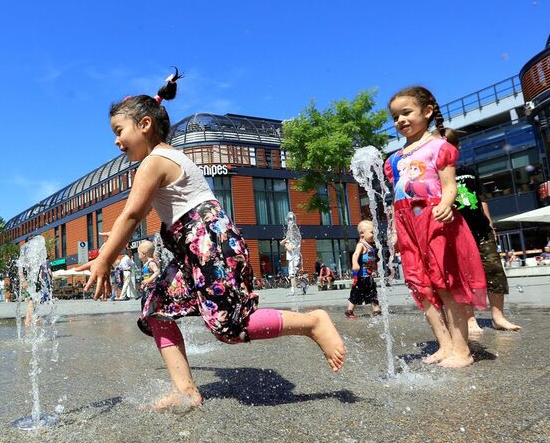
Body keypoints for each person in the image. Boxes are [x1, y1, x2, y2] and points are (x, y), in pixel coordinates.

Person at [77, 70, 344, 410]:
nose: (116, 140)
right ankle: (186, 390)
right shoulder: (161, 158)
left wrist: (104, 259)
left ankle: (312, 322)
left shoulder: (155, 161)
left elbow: (131, 215)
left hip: (209, 246)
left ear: (144, 124)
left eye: (119, 131)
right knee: (155, 308)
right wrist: (107, 251)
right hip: (193, 250)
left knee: (229, 327)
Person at [384, 86, 487, 368]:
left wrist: (446, 203)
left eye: (406, 113)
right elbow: (395, 197)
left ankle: (462, 349)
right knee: (420, 283)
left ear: (427, 112)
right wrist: (393, 228)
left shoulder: (439, 147)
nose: (400, 120)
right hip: (407, 223)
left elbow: (449, 186)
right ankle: (444, 345)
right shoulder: (394, 159)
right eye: (395, 117)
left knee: (446, 283)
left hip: (433, 218)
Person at [445, 129, 521, 332]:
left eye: (450, 145)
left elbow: (481, 199)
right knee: (464, 274)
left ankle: (498, 317)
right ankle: (470, 319)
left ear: (457, 147)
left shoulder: (468, 171)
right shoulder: (438, 176)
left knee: (494, 269)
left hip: (480, 228)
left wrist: (490, 224)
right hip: (456, 232)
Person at [345, 220, 382, 319]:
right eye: (372, 233)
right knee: (356, 293)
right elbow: (355, 254)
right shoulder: (361, 245)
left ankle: (376, 310)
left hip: (368, 276)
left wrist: (374, 270)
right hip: (361, 276)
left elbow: (371, 261)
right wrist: (355, 263)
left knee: (372, 293)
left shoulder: (371, 246)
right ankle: (349, 311)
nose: (374, 235)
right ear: (362, 233)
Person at [138, 240, 160, 309]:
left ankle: (150, 315)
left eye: (139, 254)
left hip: (153, 287)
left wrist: (149, 280)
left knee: (148, 302)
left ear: (144, 254)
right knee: (144, 301)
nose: (138, 256)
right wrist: (143, 284)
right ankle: (146, 315)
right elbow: (146, 277)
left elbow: (157, 271)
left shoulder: (151, 263)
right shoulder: (146, 264)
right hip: (148, 288)